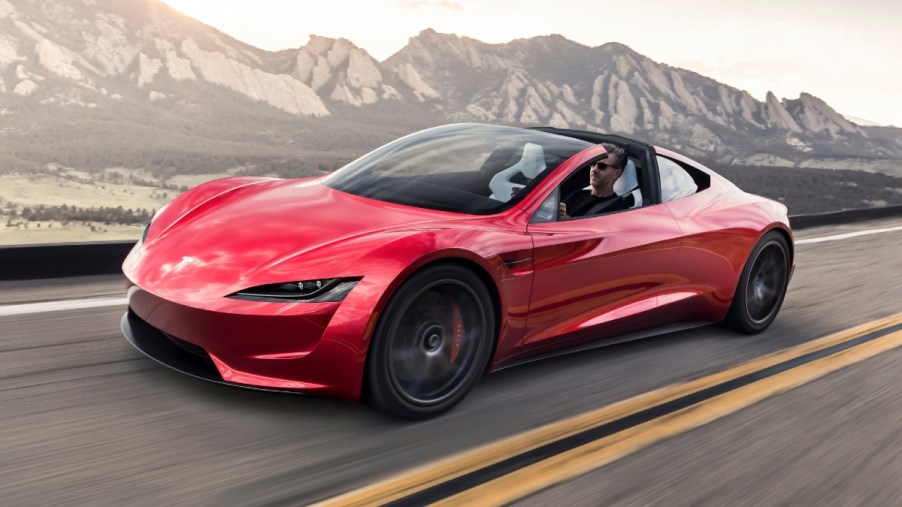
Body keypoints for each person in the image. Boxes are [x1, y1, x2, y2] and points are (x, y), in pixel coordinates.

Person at [559, 143, 632, 219]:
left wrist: (566, 220)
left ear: (616, 174)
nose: (594, 170)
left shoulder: (619, 211)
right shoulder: (575, 196)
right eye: (593, 164)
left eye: (602, 166)